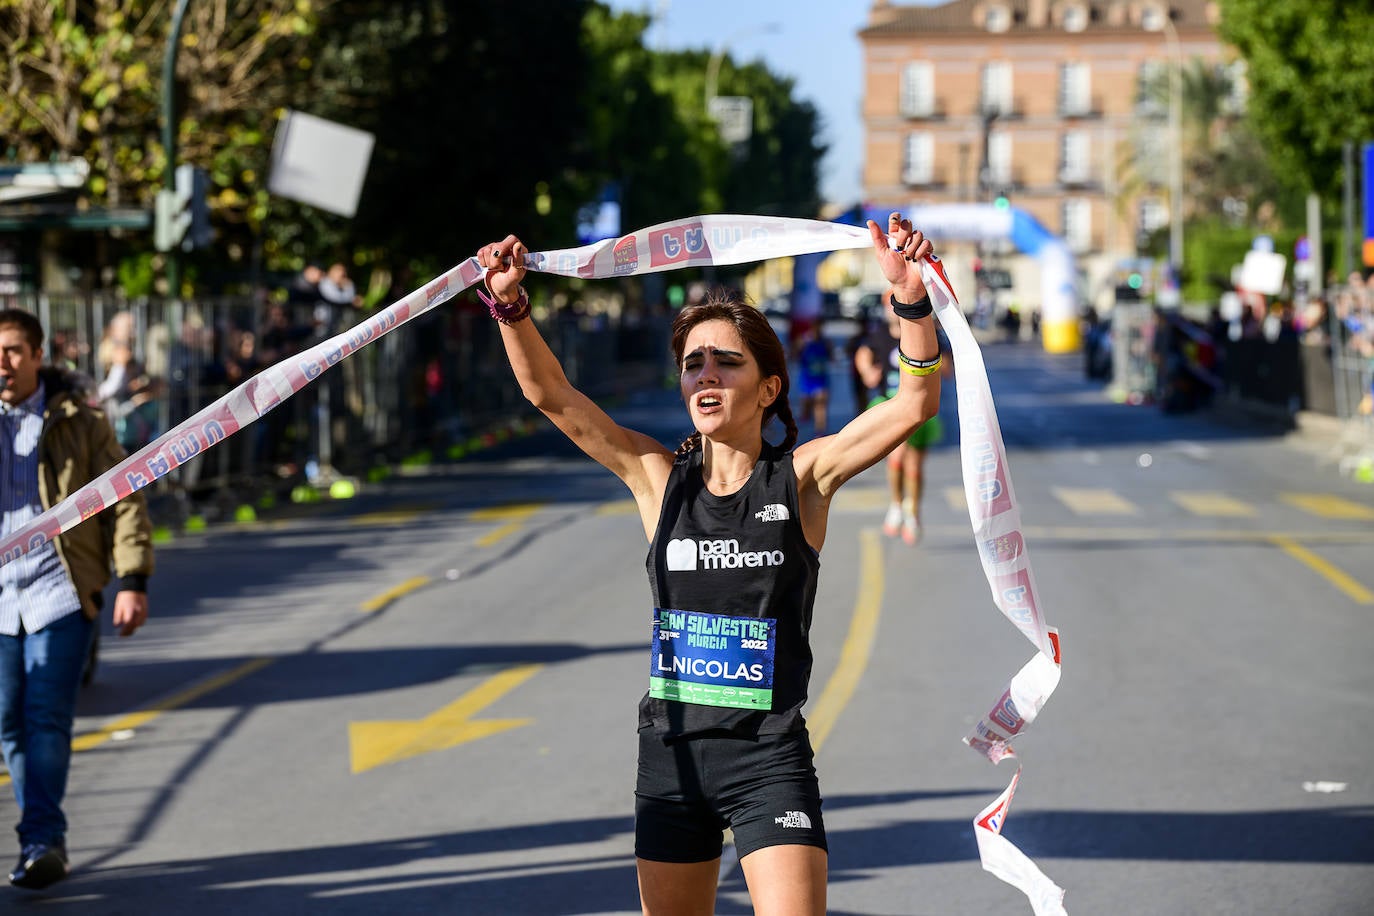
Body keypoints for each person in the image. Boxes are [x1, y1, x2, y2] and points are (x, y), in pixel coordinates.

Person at [475, 212, 940, 915]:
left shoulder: (803, 477)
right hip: (674, 760)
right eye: (694, 362)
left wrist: (910, 300)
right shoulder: (656, 479)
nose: (706, 373)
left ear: (768, 387)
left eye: (726, 359)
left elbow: (914, 401)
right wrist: (509, 306)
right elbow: (553, 398)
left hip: (768, 760)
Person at [0, 309, 154, 891]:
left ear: (38, 355)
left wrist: (133, 580)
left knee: (46, 716)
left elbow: (126, 497)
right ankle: (41, 829)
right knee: (8, 723)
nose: (3, 363)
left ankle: (42, 836)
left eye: (14, 350)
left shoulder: (79, 422)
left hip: (57, 589)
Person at [854, 307, 948, 545]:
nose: (892, 310)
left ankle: (913, 512)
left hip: (920, 407)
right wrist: (867, 371)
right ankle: (897, 505)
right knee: (897, 457)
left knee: (915, 464)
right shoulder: (882, 333)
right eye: (888, 304)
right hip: (890, 404)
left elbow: (947, 366)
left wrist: (938, 363)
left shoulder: (925, 331)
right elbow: (863, 352)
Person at [793, 323, 831, 436]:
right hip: (807, 379)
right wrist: (800, 343)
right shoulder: (804, 342)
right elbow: (794, 355)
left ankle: (820, 431)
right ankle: (805, 417)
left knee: (820, 405)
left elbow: (831, 356)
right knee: (806, 409)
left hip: (821, 379)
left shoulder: (825, 343)